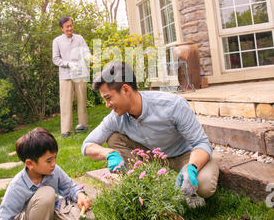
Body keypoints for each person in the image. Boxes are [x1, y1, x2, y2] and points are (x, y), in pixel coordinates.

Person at [82, 61, 219, 204]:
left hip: (185, 155)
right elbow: (87, 145)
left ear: (125, 90)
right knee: (114, 139)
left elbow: (201, 143)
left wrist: (191, 167)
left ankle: (189, 182)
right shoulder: (116, 118)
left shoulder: (172, 105)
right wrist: (109, 154)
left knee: (204, 185)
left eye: (108, 98)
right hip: (154, 156)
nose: (107, 105)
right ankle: (142, 188)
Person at [0, 127, 93, 220]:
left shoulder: (53, 170)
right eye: (49, 161)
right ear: (30, 163)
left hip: (51, 210)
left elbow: (69, 187)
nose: (54, 164)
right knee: (47, 193)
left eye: (55, 158)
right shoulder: (17, 187)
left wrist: (79, 195)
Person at [52, 16, 91, 137]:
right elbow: (56, 59)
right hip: (65, 76)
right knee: (65, 103)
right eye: (67, 26)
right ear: (62, 28)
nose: (70, 28)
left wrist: (89, 57)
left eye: (71, 25)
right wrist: (68, 64)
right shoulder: (57, 41)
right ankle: (66, 130)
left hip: (80, 74)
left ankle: (83, 125)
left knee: (82, 101)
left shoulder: (79, 38)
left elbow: (86, 52)